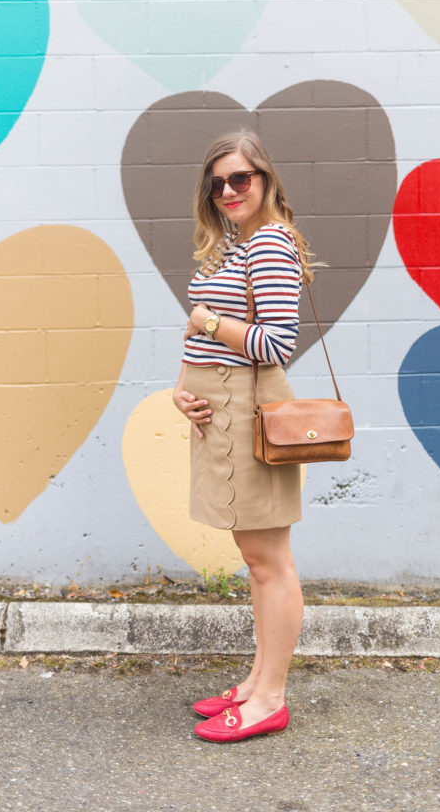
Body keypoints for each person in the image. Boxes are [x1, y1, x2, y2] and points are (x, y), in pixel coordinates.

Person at [172, 128, 314, 743]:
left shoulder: (271, 244)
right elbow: (203, 339)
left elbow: (275, 343)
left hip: (249, 412)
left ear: (265, 180)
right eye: (219, 181)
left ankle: (270, 699)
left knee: (268, 561)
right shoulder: (237, 244)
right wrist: (182, 387)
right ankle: (257, 682)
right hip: (220, 411)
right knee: (257, 560)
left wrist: (206, 318)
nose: (229, 190)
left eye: (241, 178)